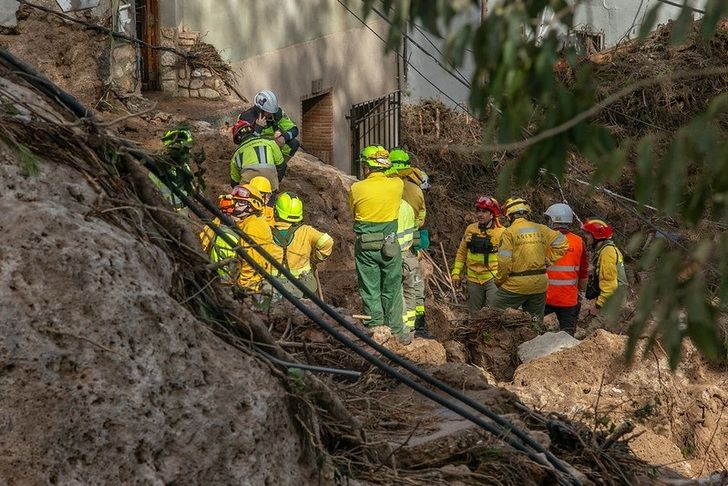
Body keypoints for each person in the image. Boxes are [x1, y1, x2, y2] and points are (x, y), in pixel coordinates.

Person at [349, 145, 407, 343]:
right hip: (389, 245)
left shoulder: (357, 188)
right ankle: (396, 335)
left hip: (366, 246)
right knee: (391, 290)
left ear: (367, 167)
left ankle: (375, 332)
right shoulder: (397, 184)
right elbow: (396, 173)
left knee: (370, 289)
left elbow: (353, 211)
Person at [493, 197, 569, 322]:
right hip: (540, 284)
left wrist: (499, 280)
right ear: (526, 214)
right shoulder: (542, 228)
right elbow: (563, 243)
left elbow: (504, 261)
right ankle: (535, 338)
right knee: (535, 321)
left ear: (509, 216)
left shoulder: (509, 232)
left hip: (516, 285)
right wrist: (548, 260)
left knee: (493, 313)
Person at [271, 192, 334, 298]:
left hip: (273, 286)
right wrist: (315, 258)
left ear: (276, 211)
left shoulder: (266, 231)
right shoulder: (306, 231)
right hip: (301, 287)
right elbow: (327, 241)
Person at [451, 196, 505, 314]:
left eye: (484, 211)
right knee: (474, 314)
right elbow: (462, 252)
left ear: (492, 215)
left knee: (494, 312)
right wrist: (456, 273)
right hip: (473, 278)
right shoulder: (470, 229)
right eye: (478, 211)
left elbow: (508, 258)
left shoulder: (501, 232)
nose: (480, 214)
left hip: (493, 278)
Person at [228, 184, 283, 298]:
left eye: (242, 202)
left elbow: (250, 262)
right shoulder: (249, 221)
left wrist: (242, 286)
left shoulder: (252, 227)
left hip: (252, 285)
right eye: (236, 201)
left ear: (253, 205)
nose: (236, 205)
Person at [543, 203, 588, 335]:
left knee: (531, 329)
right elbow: (583, 272)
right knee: (568, 335)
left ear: (553, 220)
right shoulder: (579, 242)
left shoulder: (544, 239)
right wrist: (582, 293)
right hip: (568, 299)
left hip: (545, 296)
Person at [581, 218, 628, 324]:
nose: (586, 237)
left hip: (612, 299)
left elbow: (609, 285)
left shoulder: (607, 252)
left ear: (596, 235)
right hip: (611, 297)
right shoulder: (604, 250)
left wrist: (598, 306)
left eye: (588, 234)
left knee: (591, 333)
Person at [238, 89, 300, 162]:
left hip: (272, 143)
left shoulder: (277, 113)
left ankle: (280, 164)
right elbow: (244, 143)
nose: (270, 114)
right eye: (267, 112)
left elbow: (294, 129)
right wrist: (258, 129)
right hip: (255, 145)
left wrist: (284, 137)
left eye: (272, 112)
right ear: (259, 109)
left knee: (294, 144)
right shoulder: (245, 118)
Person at [148, 127, 198, 212]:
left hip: (183, 210)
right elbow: (151, 192)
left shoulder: (183, 166)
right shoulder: (159, 167)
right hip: (166, 211)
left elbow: (189, 188)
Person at [229, 119, 284, 191]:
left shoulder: (236, 155)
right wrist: (276, 181)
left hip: (248, 181)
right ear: (252, 131)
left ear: (237, 139)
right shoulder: (269, 142)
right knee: (271, 198)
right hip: (270, 178)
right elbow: (282, 166)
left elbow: (234, 182)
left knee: (245, 199)